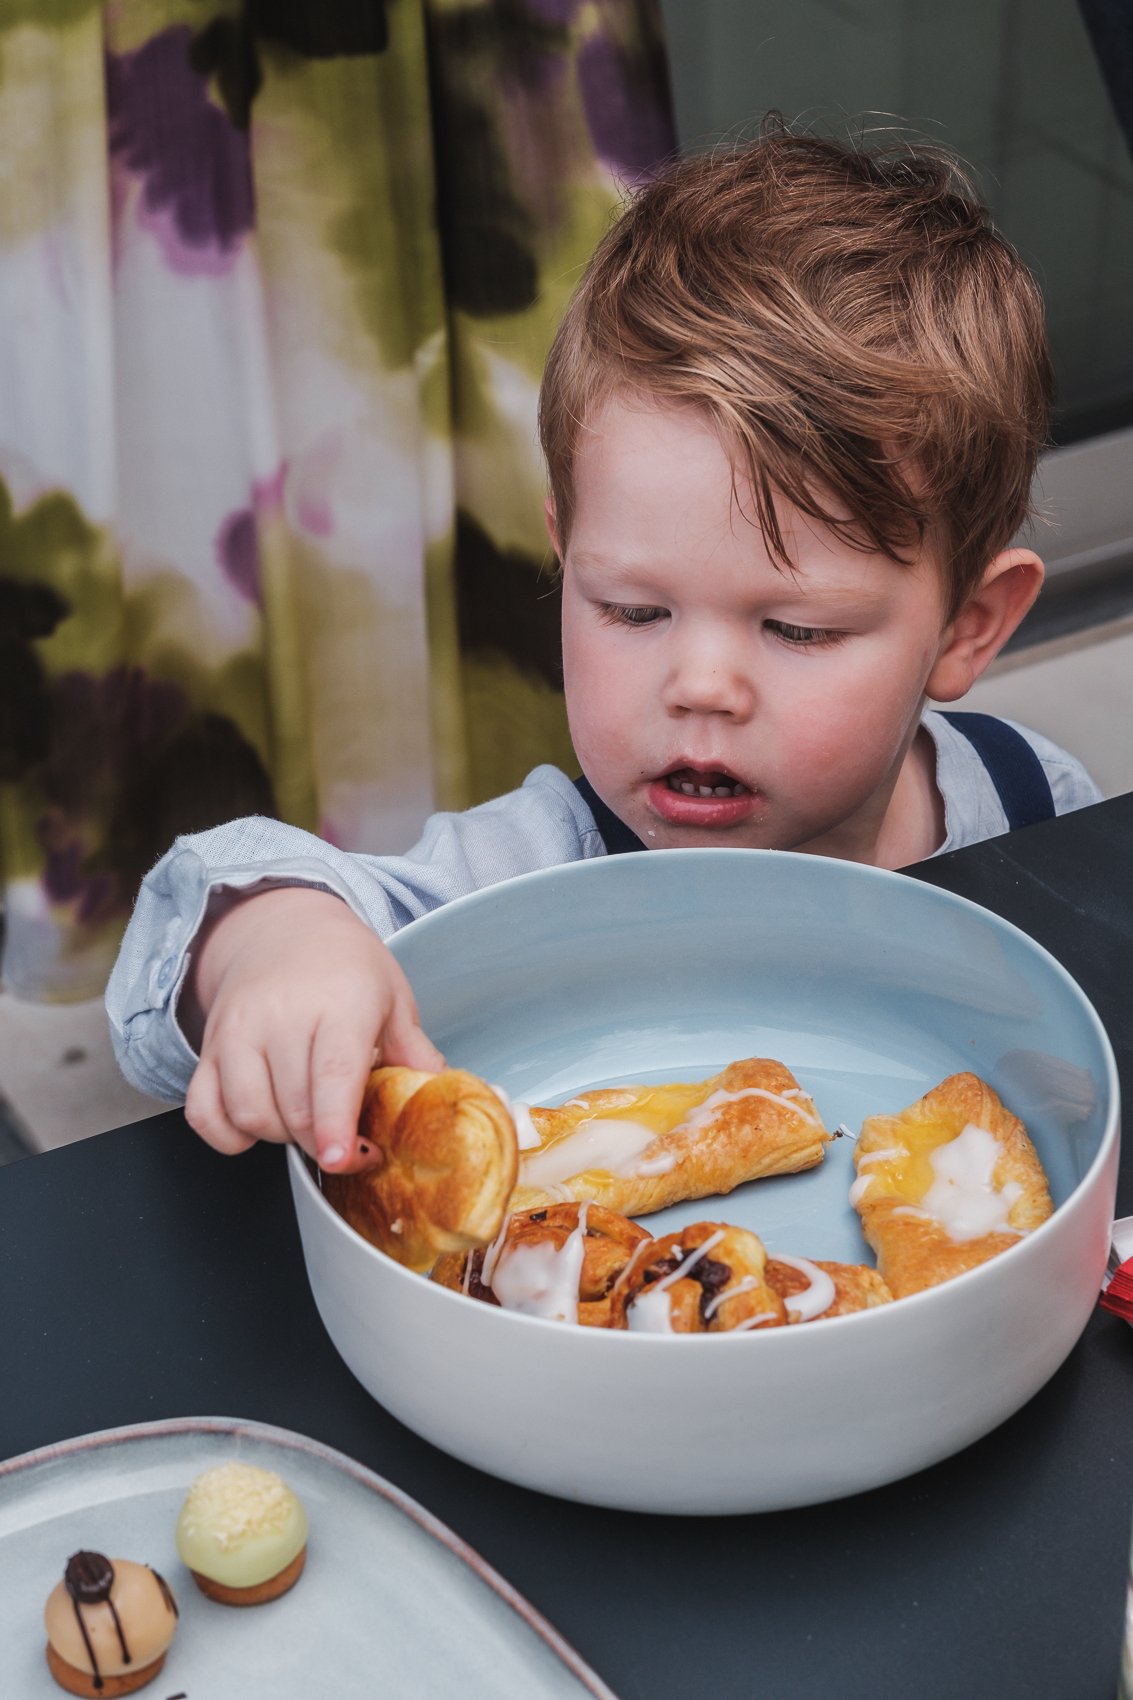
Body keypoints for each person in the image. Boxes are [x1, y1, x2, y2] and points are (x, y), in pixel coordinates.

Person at [106, 126, 1101, 1177]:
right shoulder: (533, 876)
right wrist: (276, 946)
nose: (700, 686)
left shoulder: (1031, 800)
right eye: (630, 608)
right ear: (564, 557)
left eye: (796, 628)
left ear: (967, 627)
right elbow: (196, 912)